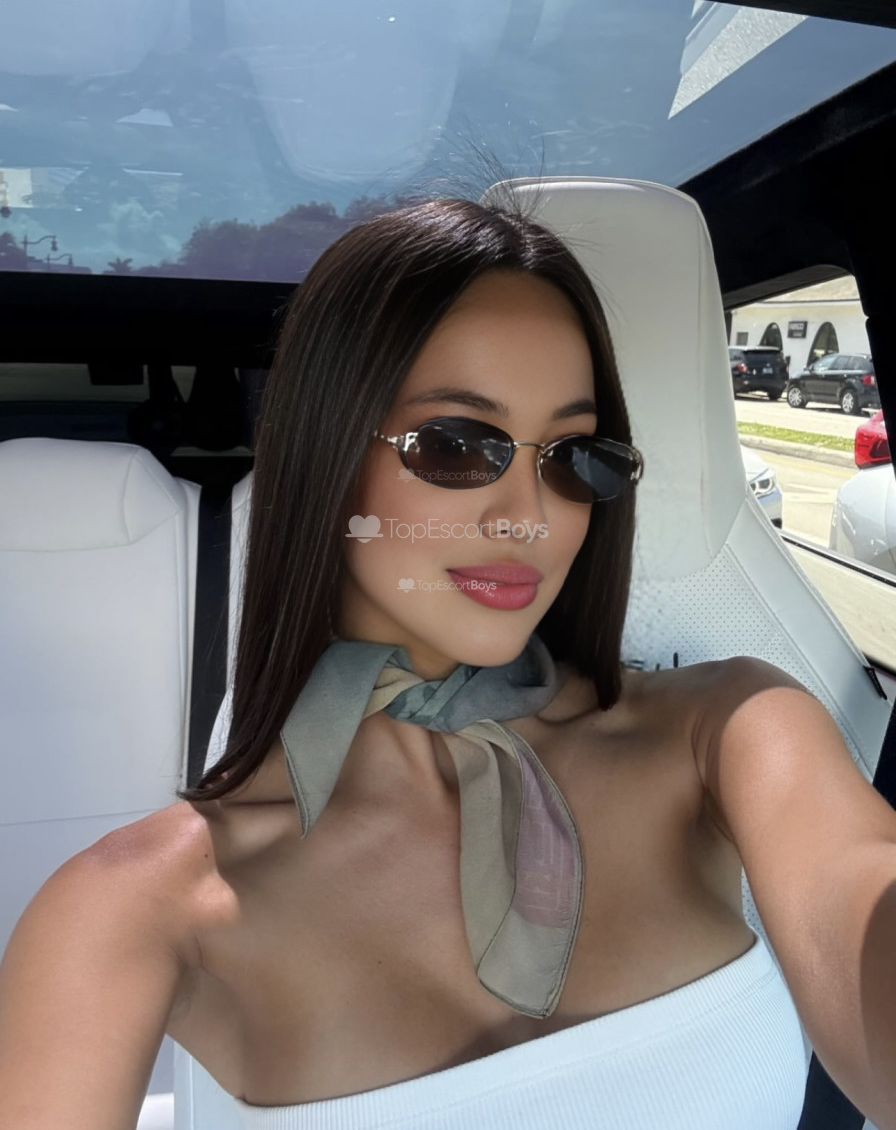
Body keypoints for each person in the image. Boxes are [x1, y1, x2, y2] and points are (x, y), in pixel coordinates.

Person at [1, 197, 895, 1130]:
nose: (530, 517)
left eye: (573, 457)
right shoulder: (134, 908)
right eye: (457, 445)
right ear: (326, 455)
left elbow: (858, 887)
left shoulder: (733, 729)